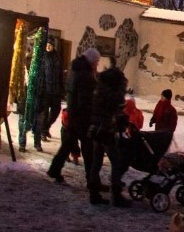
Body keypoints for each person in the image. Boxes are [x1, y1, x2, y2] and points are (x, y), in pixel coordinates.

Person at [47, 47, 99, 184]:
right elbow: (85, 99)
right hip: (82, 118)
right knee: (88, 150)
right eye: (97, 62)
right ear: (92, 61)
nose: (97, 65)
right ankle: (92, 181)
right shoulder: (85, 75)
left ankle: (54, 170)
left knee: (67, 145)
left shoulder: (75, 70)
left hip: (73, 114)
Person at [88, 59, 131, 207]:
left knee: (96, 161)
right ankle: (116, 195)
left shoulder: (99, 88)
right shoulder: (111, 93)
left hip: (96, 129)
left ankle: (93, 193)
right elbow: (117, 105)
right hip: (105, 130)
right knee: (117, 161)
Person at [38, 37, 64, 141]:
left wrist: (62, 89)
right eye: (47, 45)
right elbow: (41, 75)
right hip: (46, 90)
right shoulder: (43, 58)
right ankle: (42, 132)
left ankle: (45, 127)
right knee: (44, 112)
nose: (48, 47)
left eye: (50, 45)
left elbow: (60, 74)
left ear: (53, 46)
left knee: (56, 111)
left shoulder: (58, 58)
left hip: (56, 90)